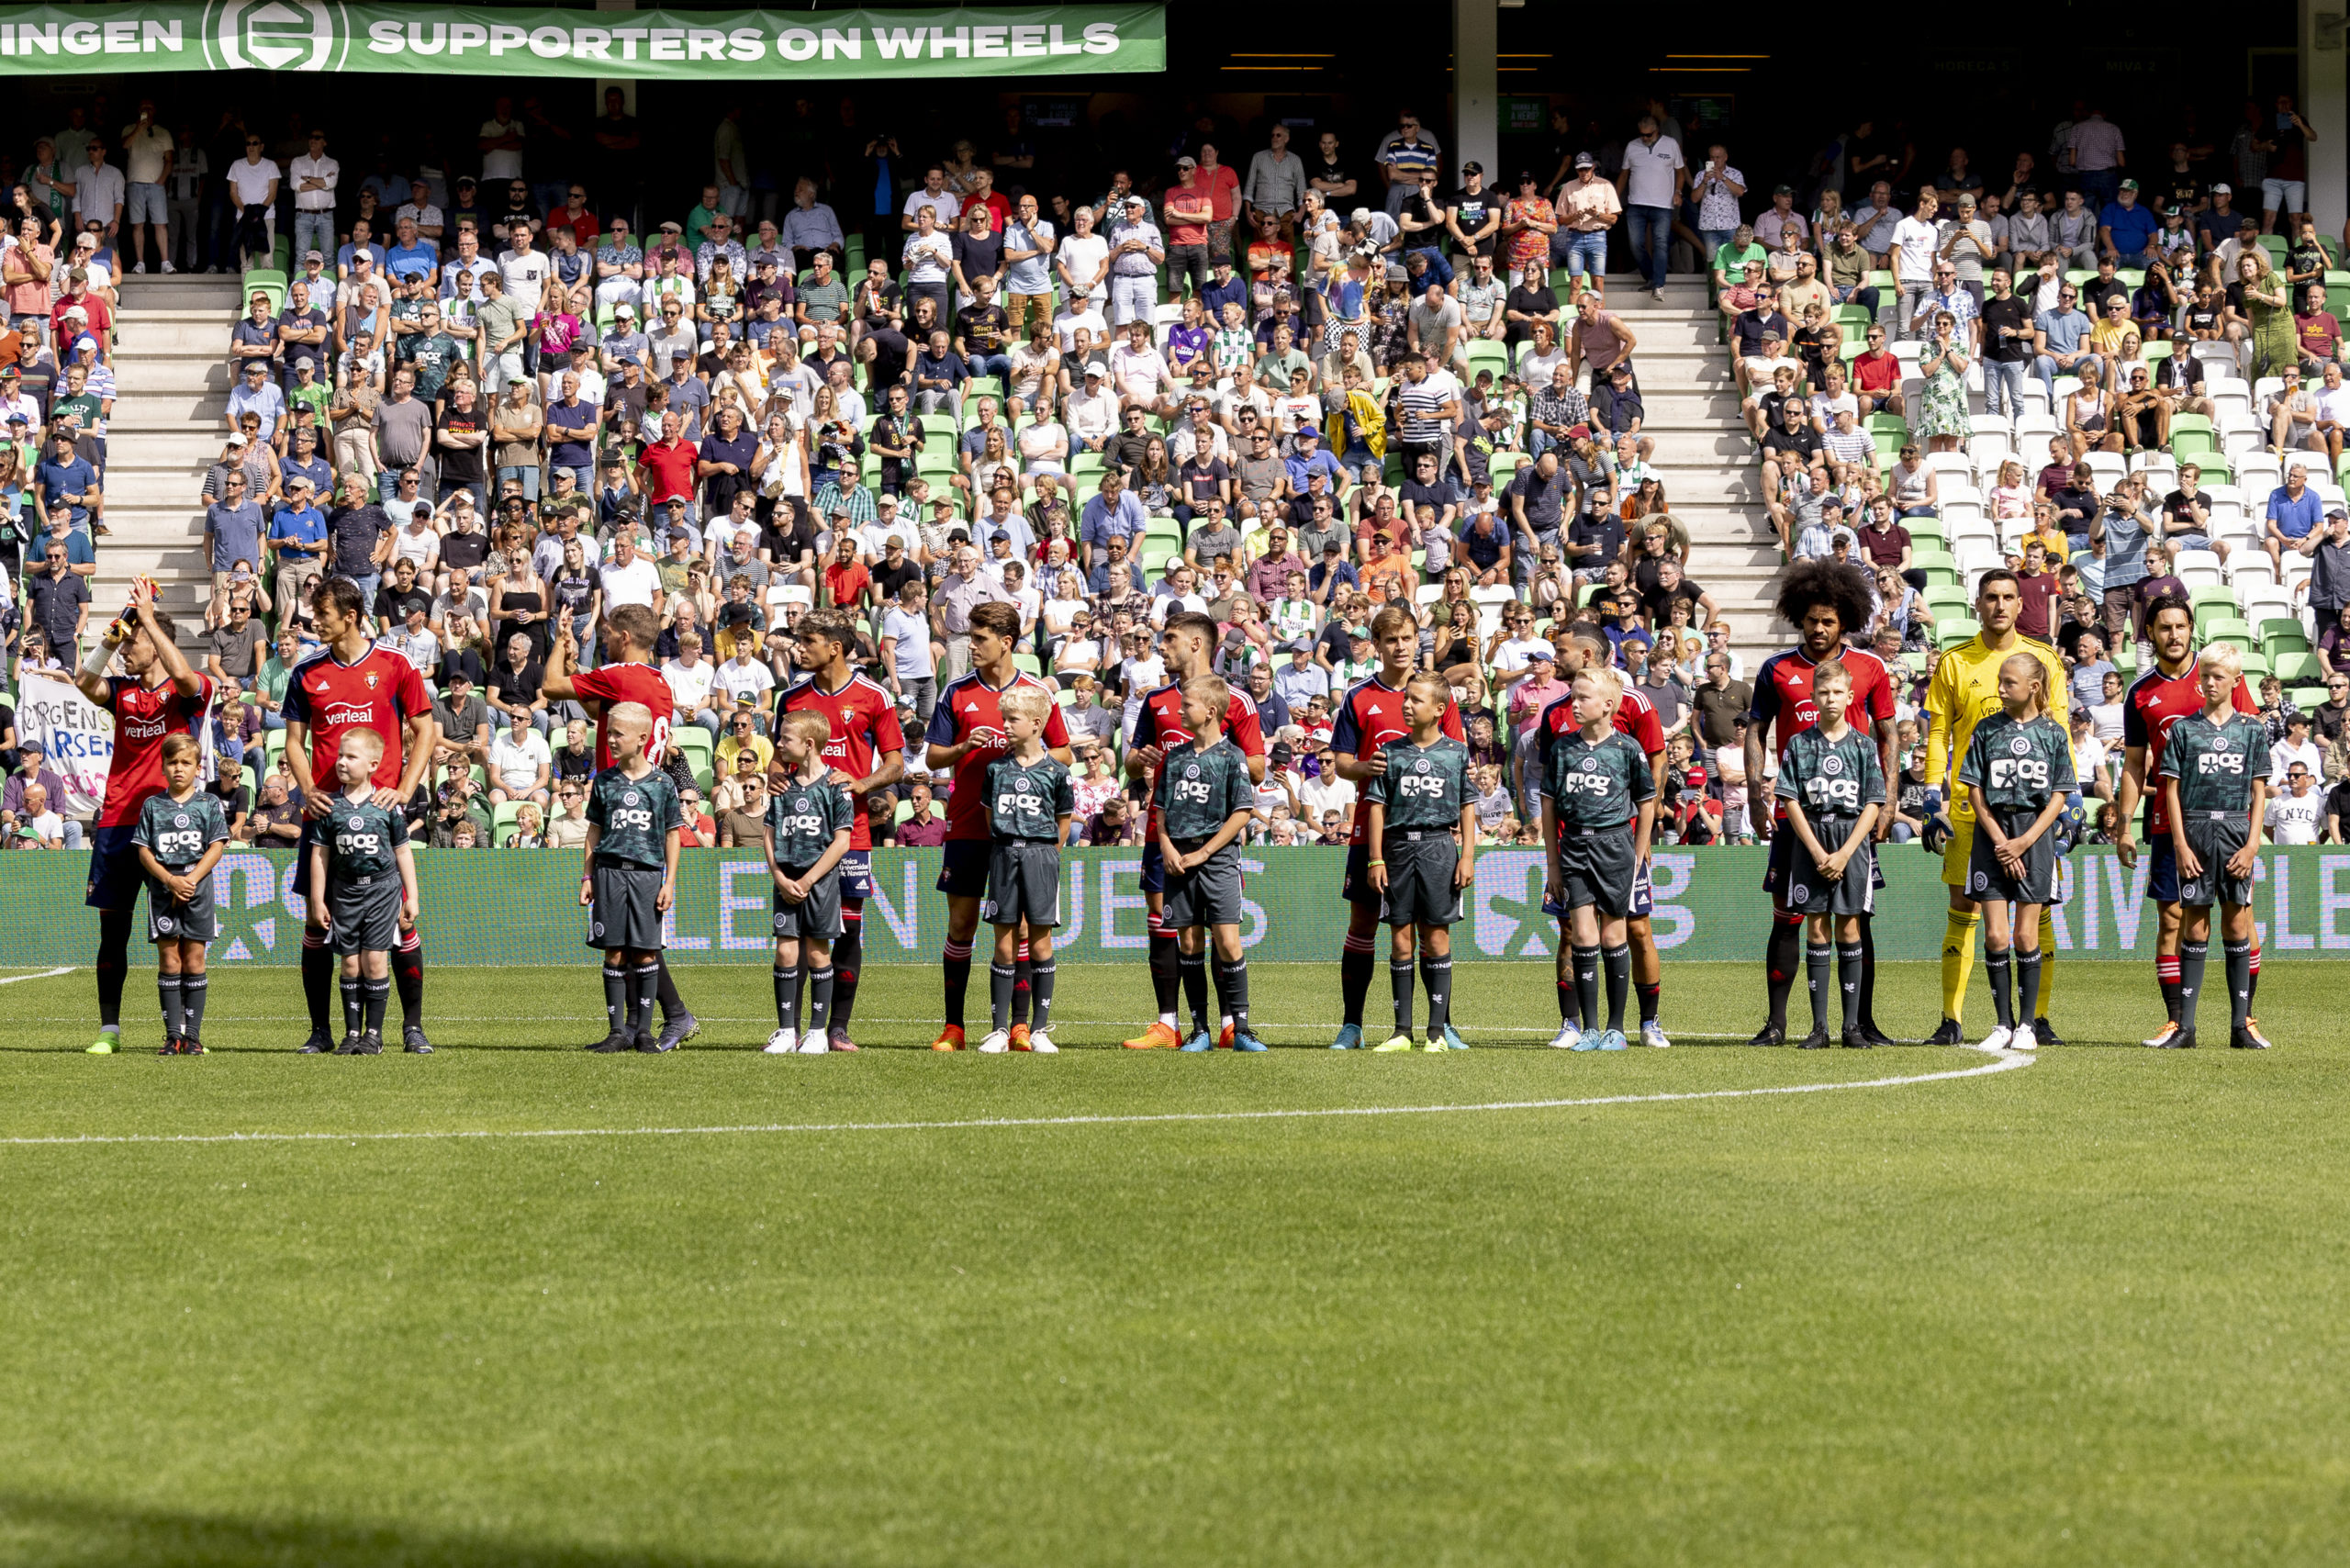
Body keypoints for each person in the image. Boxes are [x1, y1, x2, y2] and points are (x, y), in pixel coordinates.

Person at [1744, 561, 1900, 1047]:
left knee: (1857, 915)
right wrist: (1755, 791)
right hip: (1798, 813)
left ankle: (1862, 1022)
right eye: (1811, 620)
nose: (1818, 629)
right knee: (1789, 914)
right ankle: (1777, 1023)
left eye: (1828, 621)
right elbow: (1755, 731)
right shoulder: (1778, 668)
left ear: (1845, 621)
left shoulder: (1870, 668)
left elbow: (1888, 733)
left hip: (1854, 814)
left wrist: (1889, 799)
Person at [281, 577, 436, 1054]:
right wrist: (307, 791)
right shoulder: (306, 673)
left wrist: (405, 789)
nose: (314, 621)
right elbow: (293, 741)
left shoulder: (395, 665)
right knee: (316, 922)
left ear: (349, 616)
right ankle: (321, 1031)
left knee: (402, 924)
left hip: (378, 816)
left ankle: (412, 1028)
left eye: (322, 614)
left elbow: (425, 730)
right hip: (325, 817)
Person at [541, 601, 701, 1048]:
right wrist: (577, 661)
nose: (604, 638)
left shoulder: (623, 674)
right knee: (633, 935)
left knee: (634, 935)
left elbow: (551, 687)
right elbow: (599, 712)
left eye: (609, 633)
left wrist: (559, 642)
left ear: (625, 638)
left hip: (628, 805)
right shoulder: (657, 682)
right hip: (649, 802)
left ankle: (673, 1016)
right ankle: (636, 1027)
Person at [1919, 571, 2071, 1044]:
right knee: (1966, 908)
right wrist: (1931, 796)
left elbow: (2059, 728)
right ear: (1978, 603)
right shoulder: (1955, 661)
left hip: (2031, 811)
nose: (2001, 605)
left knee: (2036, 913)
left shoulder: (2044, 659)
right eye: (1992, 598)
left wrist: (2066, 805)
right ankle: (1952, 1018)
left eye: (2009, 597)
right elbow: (1940, 732)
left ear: (2019, 603)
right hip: (1972, 810)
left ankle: (2036, 1018)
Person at [2109, 594, 2263, 1047]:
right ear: (2150, 634)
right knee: (2172, 920)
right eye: (2163, 628)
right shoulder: (2140, 693)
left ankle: (2246, 1019)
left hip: (2229, 824)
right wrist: (2124, 826)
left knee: (2241, 920)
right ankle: (2178, 1022)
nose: (2173, 635)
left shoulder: (2220, 673)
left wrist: (2252, 834)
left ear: (2190, 628)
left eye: (2180, 626)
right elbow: (2135, 766)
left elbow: (2248, 752)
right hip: (2169, 824)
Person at [922, 600, 1071, 1050]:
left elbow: (1064, 756)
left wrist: (1023, 747)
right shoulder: (956, 692)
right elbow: (932, 759)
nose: (972, 646)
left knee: (1023, 929)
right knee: (963, 924)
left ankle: (1022, 1027)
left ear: (1006, 642)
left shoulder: (1035, 696)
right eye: (971, 637)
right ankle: (954, 1027)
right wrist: (967, 745)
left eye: (980, 639)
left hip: (1024, 830)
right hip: (970, 823)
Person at [74, 581, 215, 1055]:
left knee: (179, 943)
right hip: (118, 823)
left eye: (131, 647)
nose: (123, 655)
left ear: (155, 646)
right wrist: (114, 636)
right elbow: (83, 682)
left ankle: (184, 1035)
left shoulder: (186, 693)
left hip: (174, 827)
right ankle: (109, 1030)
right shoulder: (122, 693)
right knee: (113, 931)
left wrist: (149, 621)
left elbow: (189, 681)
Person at [1119, 610, 1268, 1050]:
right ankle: (1169, 1023)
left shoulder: (1236, 701)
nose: (1161, 646)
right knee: (1168, 927)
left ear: (1196, 644)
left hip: (1214, 835)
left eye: (1169, 639)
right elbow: (1131, 761)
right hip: (1165, 832)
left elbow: (1257, 767)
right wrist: (1144, 759)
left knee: (1221, 931)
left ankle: (1228, 1025)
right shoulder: (1155, 700)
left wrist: (1215, 756)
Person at [1326, 605, 1465, 1048]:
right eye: (1391, 640)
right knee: (1365, 923)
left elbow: (1454, 764)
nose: (1400, 647)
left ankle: (1440, 1025)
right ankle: (1353, 1024)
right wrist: (1365, 766)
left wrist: (1460, 839)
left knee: (1430, 930)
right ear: (1377, 646)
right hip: (1376, 831)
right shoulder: (1359, 697)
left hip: (1431, 838)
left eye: (1407, 638)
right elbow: (1343, 761)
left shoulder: (1438, 695)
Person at [775, 609, 906, 1050]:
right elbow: (779, 758)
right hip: (799, 834)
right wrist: (776, 773)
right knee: (793, 933)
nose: (799, 649)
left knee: (847, 928)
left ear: (833, 647)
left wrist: (861, 782)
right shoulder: (792, 697)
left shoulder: (873, 696)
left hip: (850, 833)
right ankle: (790, 1031)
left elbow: (895, 764)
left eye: (807, 642)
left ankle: (837, 1028)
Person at [1955, 652, 2077, 1051]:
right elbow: (1974, 787)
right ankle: (2002, 1024)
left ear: (2034, 687)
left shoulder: (2054, 733)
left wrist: (2025, 841)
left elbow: (2060, 794)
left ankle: (2027, 1025)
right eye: (2000, 681)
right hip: (1992, 836)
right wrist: (1997, 838)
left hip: (2035, 836)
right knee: (1994, 934)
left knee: (2027, 935)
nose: (2001, 689)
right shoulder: (1987, 728)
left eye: (2009, 682)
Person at [2155, 648, 2273, 1050]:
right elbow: (2171, 789)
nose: (2210, 683)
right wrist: (2181, 843)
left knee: (2238, 923)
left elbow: (2259, 792)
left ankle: (2241, 1025)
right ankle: (2185, 1027)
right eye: (2205, 675)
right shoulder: (2184, 731)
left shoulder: (2252, 730)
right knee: (2194, 923)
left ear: (2236, 681)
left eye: (2219, 676)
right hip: (2197, 829)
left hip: (2237, 830)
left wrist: (2253, 843)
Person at [1536, 664, 1658, 1050]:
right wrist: (1553, 863)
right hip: (1573, 847)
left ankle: (1616, 1029)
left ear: (1607, 705)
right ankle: (1588, 1029)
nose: (1575, 703)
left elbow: (1647, 803)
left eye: (1583, 697)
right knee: (1583, 935)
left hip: (1614, 847)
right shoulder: (1562, 748)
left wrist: (1637, 856)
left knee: (1613, 934)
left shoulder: (1627, 748)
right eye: (1573, 696)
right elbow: (1548, 803)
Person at [1361, 672, 1477, 1052]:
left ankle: (1437, 1033)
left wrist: (1467, 857)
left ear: (1439, 709)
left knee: (1437, 936)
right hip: (1396, 850)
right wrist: (1375, 858)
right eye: (1406, 699)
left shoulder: (1457, 752)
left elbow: (1466, 807)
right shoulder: (1390, 752)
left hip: (1439, 848)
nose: (1406, 705)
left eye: (1416, 700)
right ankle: (1401, 1032)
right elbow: (1376, 808)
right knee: (1399, 939)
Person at [1774, 661, 1885, 1049]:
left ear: (1850, 696)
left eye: (1837, 692)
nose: (1830, 698)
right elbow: (1789, 799)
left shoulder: (1863, 745)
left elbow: (1873, 802)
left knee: (1850, 928)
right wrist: (1819, 851)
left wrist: (1845, 852)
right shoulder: (1800, 744)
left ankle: (1851, 1027)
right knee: (1816, 926)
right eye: (1823, 692)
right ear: (1813, 697)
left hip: (1851, 841)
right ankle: (1819, 1028)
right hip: (1813, 843)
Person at [1154, 673, 1265, 1053]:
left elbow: (1242, 812)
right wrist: (1166, 846)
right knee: (1188, 941)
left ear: (1211, 711)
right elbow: (1160, 811)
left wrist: (1204, 852)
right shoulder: (1175, 757)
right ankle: (1199, 1029)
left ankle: (1241, 1028)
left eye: (1187, 705)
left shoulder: (1232, 757)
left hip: (1217, 860)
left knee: (1229, 942)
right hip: (1178, 859)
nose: (1180, 710)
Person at [308, 728, 422, 1056]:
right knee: (349, 965)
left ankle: (374, 1034)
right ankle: (351, 1033)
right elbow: (320, 855)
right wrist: (318, 899)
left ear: (373, 764)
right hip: (344, 894)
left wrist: (411, 897)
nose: (341, 762)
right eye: (340, 755)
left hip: (383, 893)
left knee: (375, 962)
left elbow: (403, 851)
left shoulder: (387, 805)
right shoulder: (329, 806)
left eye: (351, 757)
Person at [578, 700, 683, 1053]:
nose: (609, 739)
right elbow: (594, 832)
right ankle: (617, 1032)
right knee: (614, 953)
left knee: (645, 954)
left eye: (617, 734)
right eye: (608, 732)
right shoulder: (605, 781)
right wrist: (587, 877)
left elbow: (672, 835)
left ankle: (644, 1033)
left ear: (641, 738)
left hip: (648, 877)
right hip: (608, 875)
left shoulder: (662, 783)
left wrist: (669, 882)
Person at [977, 685, 1075, 1054]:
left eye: (1011, 719)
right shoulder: (996, 769)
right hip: (1003, 855)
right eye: (1004, 718)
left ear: (1036, 724)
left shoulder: (1057, 771)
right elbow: (990, 817)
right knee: (1003, 942)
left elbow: (1063, 822)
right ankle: (1000, 1030)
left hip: (1040, 858)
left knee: (1040, 940)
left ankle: (1038, 1030)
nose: (1004, 725)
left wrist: (1047, 855)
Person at [759, 709, 856, 1056]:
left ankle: (817, 1032)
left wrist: (810, 879)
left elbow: (842, 841)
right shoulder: (781, 786)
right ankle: (787, 1031)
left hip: (820, 884)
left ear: (809, 745)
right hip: (786, 881)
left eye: (786, 739)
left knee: (817, 953)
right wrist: (780, 877)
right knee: (786, 951)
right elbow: (768, 834)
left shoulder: (836, 786)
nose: (780, 744)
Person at [130, 733, 229, 1055]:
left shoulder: (208, 803)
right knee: (170, 959)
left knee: (195, 957)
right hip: (162, 891)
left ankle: (194, 1038)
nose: (178, 769)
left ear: (198, 768)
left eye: (186, 763)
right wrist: (170, 880)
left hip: (198, 890)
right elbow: (143, 851)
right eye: (172, 763)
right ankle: (173, 1036)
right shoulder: (153, 805)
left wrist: (191, 879)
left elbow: (217, 845)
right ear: (163, 767)